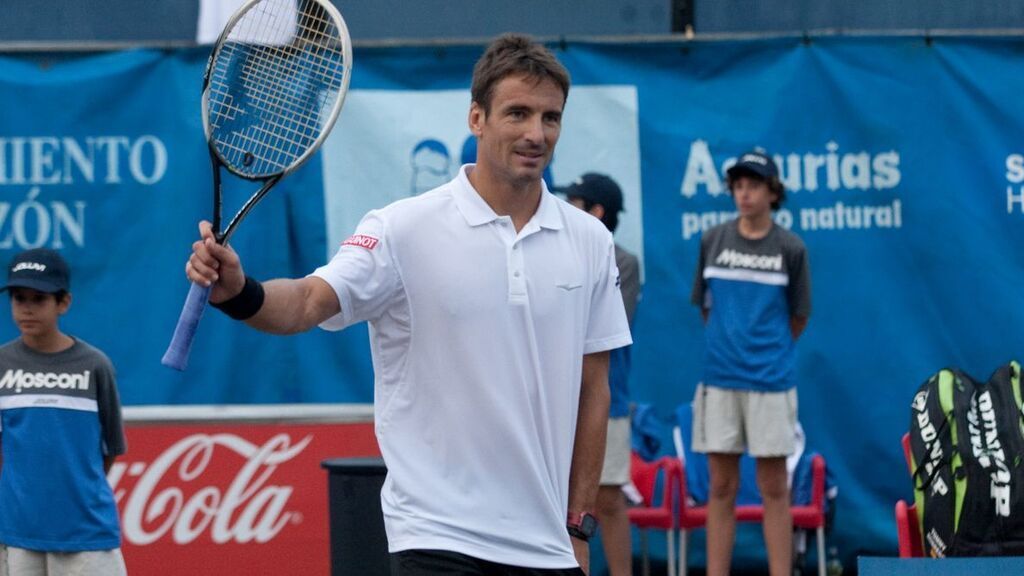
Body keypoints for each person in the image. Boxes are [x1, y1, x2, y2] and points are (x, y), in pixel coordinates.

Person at [186, 34, 631, 576]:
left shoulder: (589, 240)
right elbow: (306, 302)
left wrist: (578, 525)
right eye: (517, 113)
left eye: (550, 118)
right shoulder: (401, 229)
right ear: (476, 118)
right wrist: (241, 291)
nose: (536, 134)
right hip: (437, 538)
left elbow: (594, 389)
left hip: (548, 549)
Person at [690, 150, 811, 576]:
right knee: (720, 487)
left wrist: (765, 352)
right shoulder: (712, 241)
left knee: (774, 487)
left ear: (772, 192)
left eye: (754, 185)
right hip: (719, 381)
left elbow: (798, 316)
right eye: (738, 185)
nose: (744, 193)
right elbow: (707, 308)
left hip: (771, 383)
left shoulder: (791, 248)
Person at [0, 248, 128, 576]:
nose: (26, 308)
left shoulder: (95, 365)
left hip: (86, 535)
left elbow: (111, 447)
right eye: (18, 297)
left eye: (38, 298)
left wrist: (74, 498)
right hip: (18, 533)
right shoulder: (2, 364)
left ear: (64, 303)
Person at [562, 174, 639, 576]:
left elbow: (603, 329)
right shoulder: (554, 253)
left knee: (606, 500)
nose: (564, 209)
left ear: (597, 212)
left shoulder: (623, 261)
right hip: (556, 404)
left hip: (604, 400)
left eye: (575, 202)